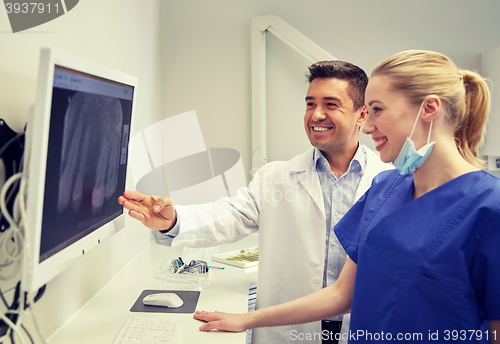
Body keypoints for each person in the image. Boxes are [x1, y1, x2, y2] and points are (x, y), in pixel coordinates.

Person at [192, 50, 500, 343]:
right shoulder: (384, 189)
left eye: (377, 109)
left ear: (429, 109)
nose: (368, 126)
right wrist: (247, 319)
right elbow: (343, 294)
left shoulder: (489, 207)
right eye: (309, 103)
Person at [118, 60, 392, 344]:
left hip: (362, 325)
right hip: (288, 330)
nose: (316, 114)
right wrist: (174, 221)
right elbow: (231, 215)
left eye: (331, 105)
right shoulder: (276, 176)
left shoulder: (391, 181)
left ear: (361, 115)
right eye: (310, 104)